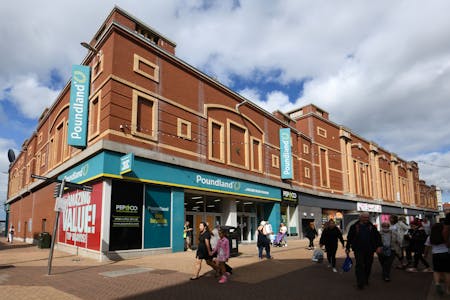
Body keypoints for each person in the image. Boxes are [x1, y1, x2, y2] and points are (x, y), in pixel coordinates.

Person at [345, 212, 382, 290]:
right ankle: (360, 282)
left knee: (368, 265)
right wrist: (347, 247)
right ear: (360, 218)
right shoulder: (354, 226)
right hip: (358, 249)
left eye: (367, 217)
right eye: (365, 217)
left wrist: (378, 246)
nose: (366, 219)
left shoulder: (371, 226)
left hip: (370, 249)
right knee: (359, 265)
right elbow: (350, 238)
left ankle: (366, 279)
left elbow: (377, 237)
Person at [424, 223, 450, 296]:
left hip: (436, 255)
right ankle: (448, 290)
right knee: (447, 272)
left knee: (436, 271)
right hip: (446, 254)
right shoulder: (446, 236)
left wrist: (425, 255)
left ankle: (437, 284)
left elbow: (426, 247)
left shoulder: (430, 237)